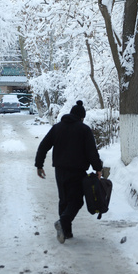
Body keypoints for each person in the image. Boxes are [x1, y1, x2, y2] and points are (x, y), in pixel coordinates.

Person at [35, 100, 103, 243]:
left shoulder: (57, 128)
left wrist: (39, 165)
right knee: (77, 201)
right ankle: (63, 222)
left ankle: (66, 232)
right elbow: (91, 152)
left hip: (60, 171)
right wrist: (98, 168)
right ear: (81, 117)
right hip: (77, 171)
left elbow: (43, 146)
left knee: (64, 200)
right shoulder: (84, 130)